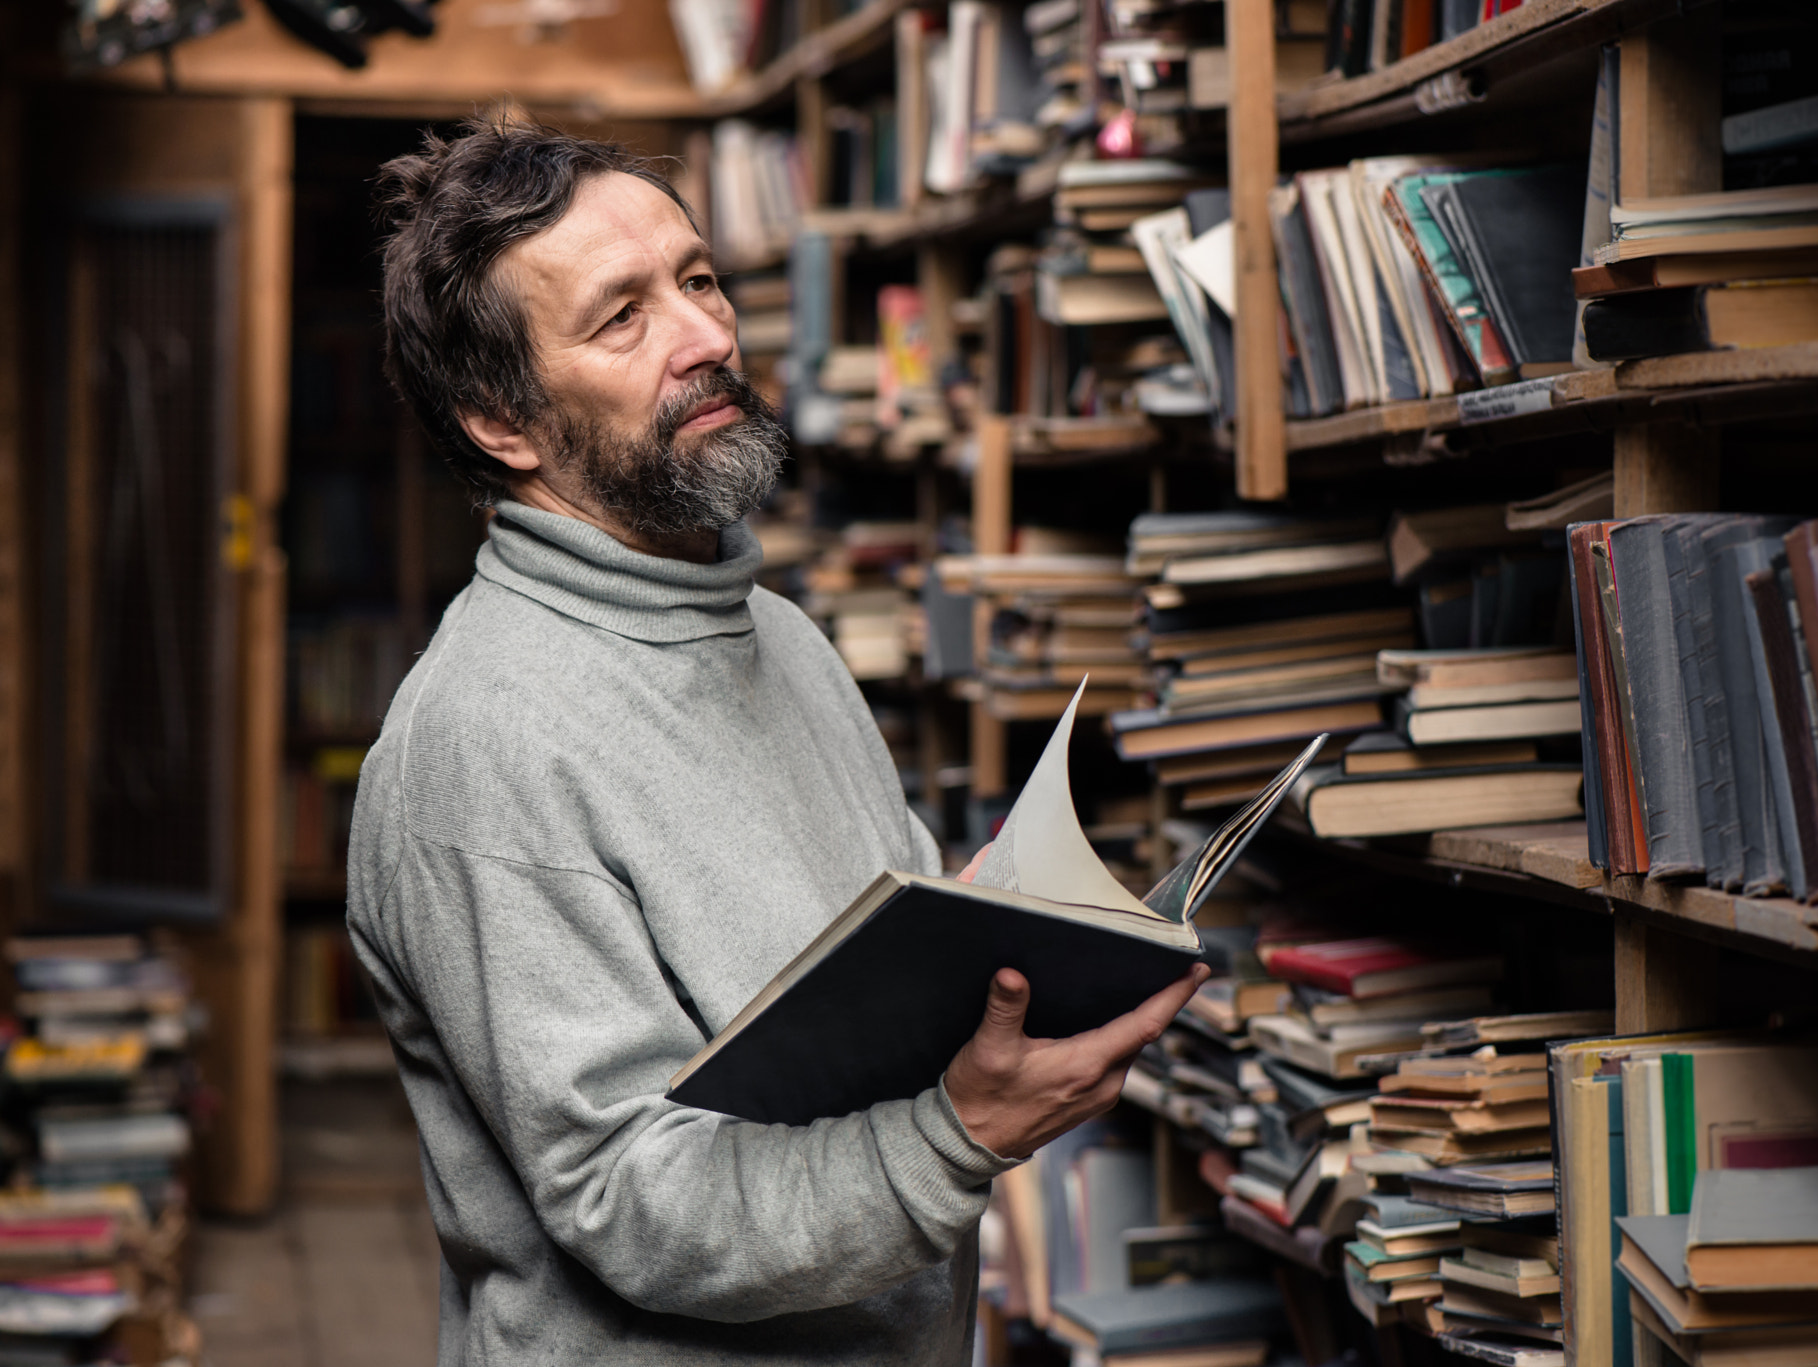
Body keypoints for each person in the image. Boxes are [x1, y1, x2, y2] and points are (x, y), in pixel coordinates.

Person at [346, 116, 1206, 1366]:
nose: (706, 338)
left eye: (695, 278)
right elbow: (630, 1197)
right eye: (620, 316)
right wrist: (956, 1134)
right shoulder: (478, 744)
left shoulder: (782, 637)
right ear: (503, 422)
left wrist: (1026, 973)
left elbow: (875, 971)